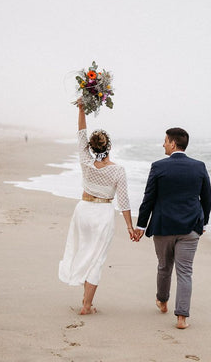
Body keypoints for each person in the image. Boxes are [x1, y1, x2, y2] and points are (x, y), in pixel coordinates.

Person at [58, 100, 134, 315]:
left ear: (91, 147)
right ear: (109, 147)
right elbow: (124, 201)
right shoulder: (118, 170)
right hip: (103, 214)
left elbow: (81, 133)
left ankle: (85, 299)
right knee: (97, 258)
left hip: (83, 210)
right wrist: (130, 227)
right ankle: (86, 305)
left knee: (84, 250)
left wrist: (81, 109)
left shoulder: (85, 161)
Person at [134, 128, 211, 329]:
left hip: (163, 226)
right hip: (190, 227)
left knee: (164, 266)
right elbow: (207, 197)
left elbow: (148, 198)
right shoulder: (199, 166)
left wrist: (141, 225)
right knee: (185, 272)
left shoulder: (158, 167)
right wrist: (203, 223)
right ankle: (182, 318)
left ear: (173, 143)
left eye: (165, 141)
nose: (163, 144)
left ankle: (162, 301)